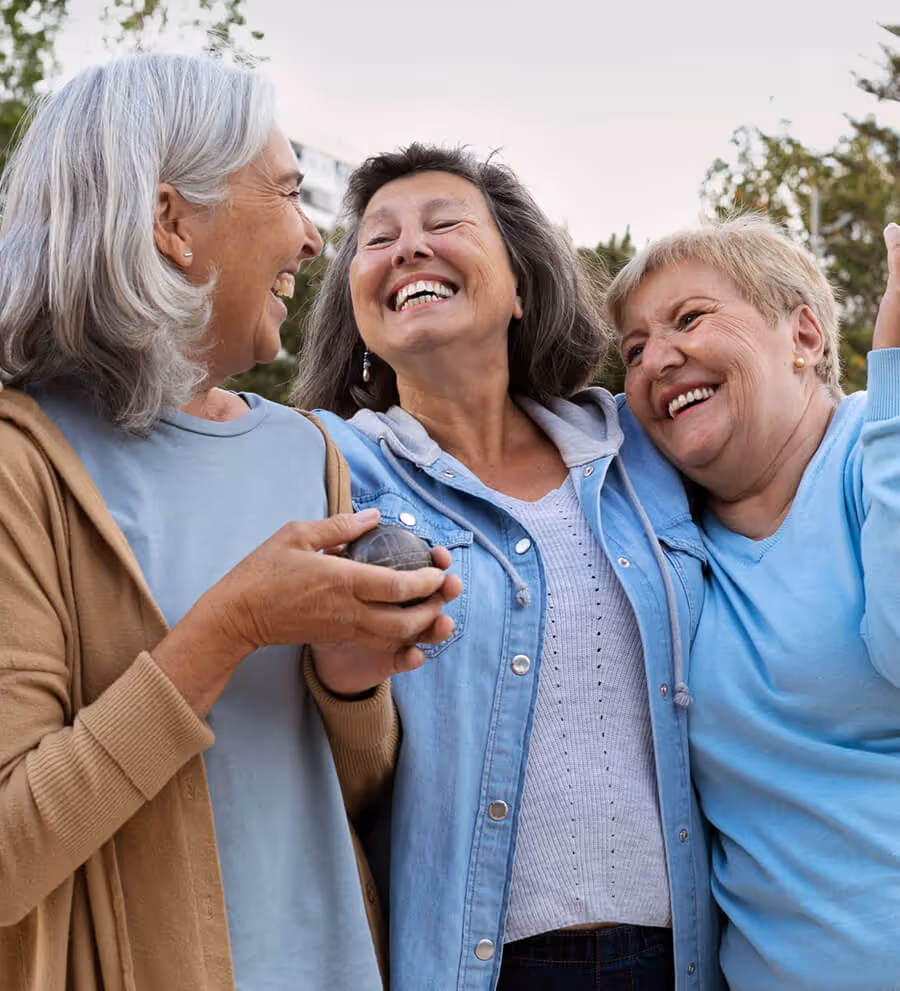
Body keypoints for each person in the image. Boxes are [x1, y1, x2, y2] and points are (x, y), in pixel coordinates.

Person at [0, 54, 460, 991]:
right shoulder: (23, 466)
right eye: (290, 192)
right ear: (173, 220)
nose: (314, 235)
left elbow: (351, 790)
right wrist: (235, 624)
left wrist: (350, 678)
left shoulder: (305, 452)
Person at [294, 144, 722, 991]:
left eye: (444, 222)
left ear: (520, 286)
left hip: (680, 958)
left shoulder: (638, 445)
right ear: (360, 313)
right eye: (377, 240)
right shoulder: (324, 467)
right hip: (472, 968)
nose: (409, 247)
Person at [607, 215, 900, 991]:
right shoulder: (664, 545)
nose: (658, 359)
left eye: (691, 318)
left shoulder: (875, 449)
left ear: (804, 336)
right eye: (633, 350)